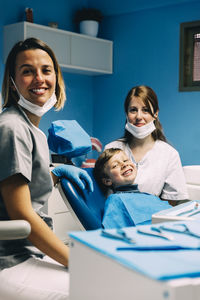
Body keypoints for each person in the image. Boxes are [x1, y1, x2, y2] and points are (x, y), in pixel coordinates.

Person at [0, 37, 93, 300]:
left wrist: (54, 173)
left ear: (56, 78)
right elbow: (21, 212)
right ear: (12, 81)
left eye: (46, 70)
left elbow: (20, 185)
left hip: (28, 252)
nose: (39, 78)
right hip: (10, 259)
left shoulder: (33, 130)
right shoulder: (12, 127)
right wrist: (75, 260)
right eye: (27, 71)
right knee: (97, 287)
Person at [105, 85, 188, 206]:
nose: (139, 116)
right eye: (133, 110)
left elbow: (170, 205)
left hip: (150, 221)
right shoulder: (111, 149)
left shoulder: (169, 155)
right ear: (126, 114)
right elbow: (101, 195)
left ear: (155, 114)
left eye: (146, 110)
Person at [94, 148, 171, 229]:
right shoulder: (116, 200)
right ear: (107, 181)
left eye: (125, 160)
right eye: (115, 165)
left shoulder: (149, 196)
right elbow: (113, 232)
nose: (124, 165)